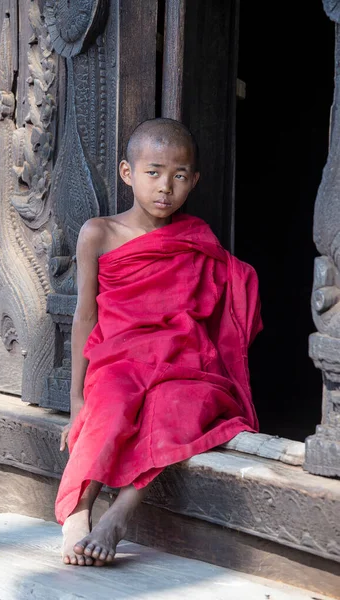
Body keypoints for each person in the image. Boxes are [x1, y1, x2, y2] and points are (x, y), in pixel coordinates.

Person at [57, 118, 262, 567]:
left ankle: (119, 515)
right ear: (128, 173)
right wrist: (76, 399)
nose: (166, 186)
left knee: (174, 409)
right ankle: (78, 510)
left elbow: (225, 291)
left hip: (182, 362)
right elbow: (85, 315)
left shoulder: (196, 241)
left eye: (180, 175)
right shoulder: (100, 233)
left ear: (194, 181)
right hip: (119, 360)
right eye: (153, 172)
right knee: (108, 407)